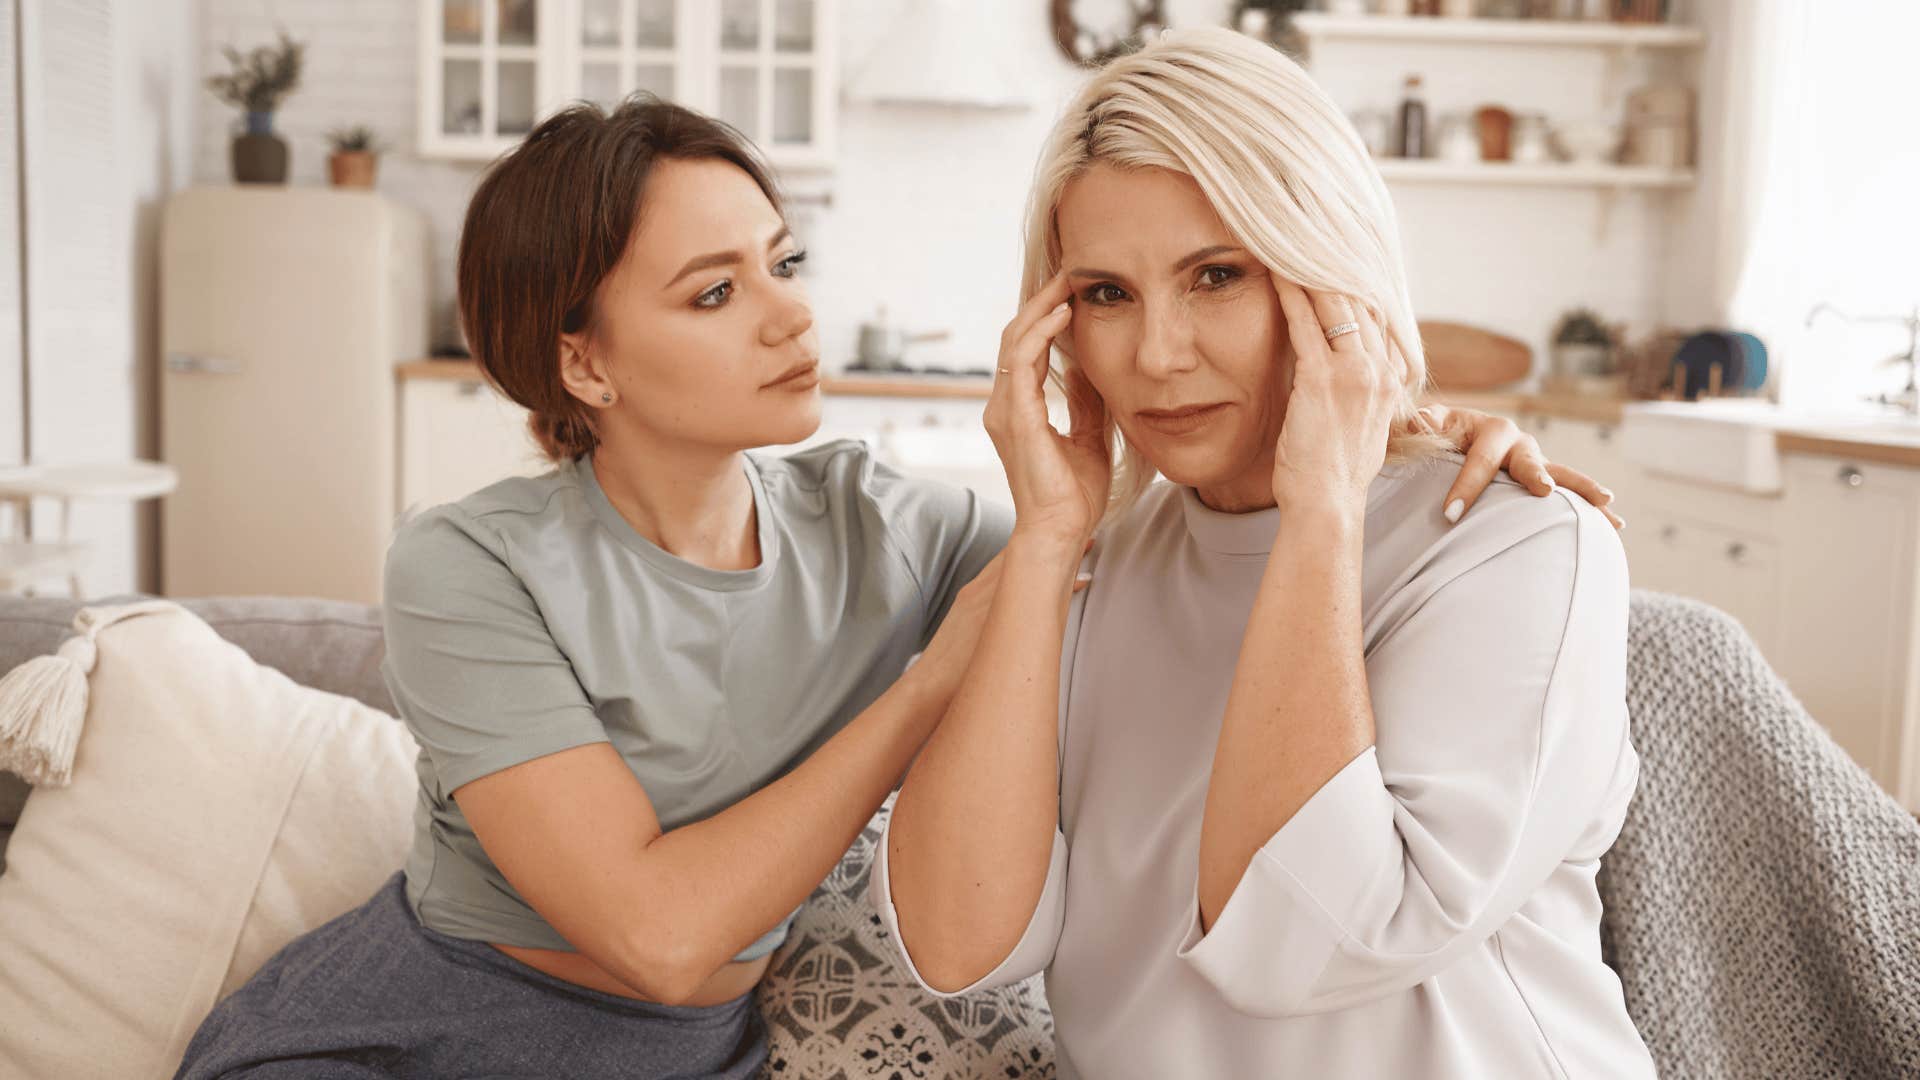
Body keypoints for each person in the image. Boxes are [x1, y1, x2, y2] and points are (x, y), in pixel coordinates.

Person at [176, 95, 1610, 1079]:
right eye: (715, 291)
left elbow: (1129, 560)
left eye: (782, 263)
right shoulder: (468, 558)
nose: (796, 313)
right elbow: (665, 938)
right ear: (584, 364)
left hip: (697, 1053)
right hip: (451, 1017)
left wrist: (1408, 440)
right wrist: (930, 684)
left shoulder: (893, 525)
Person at [879, 28, 1655, 1079]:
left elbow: (1305, 945)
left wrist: (1324, 508)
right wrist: (1051, 538)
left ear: (1328, 274)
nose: (1157, 355)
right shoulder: (1093, 568)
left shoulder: (1517, 547)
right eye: (1106, 293)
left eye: (1216, 275)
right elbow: (958, 942)